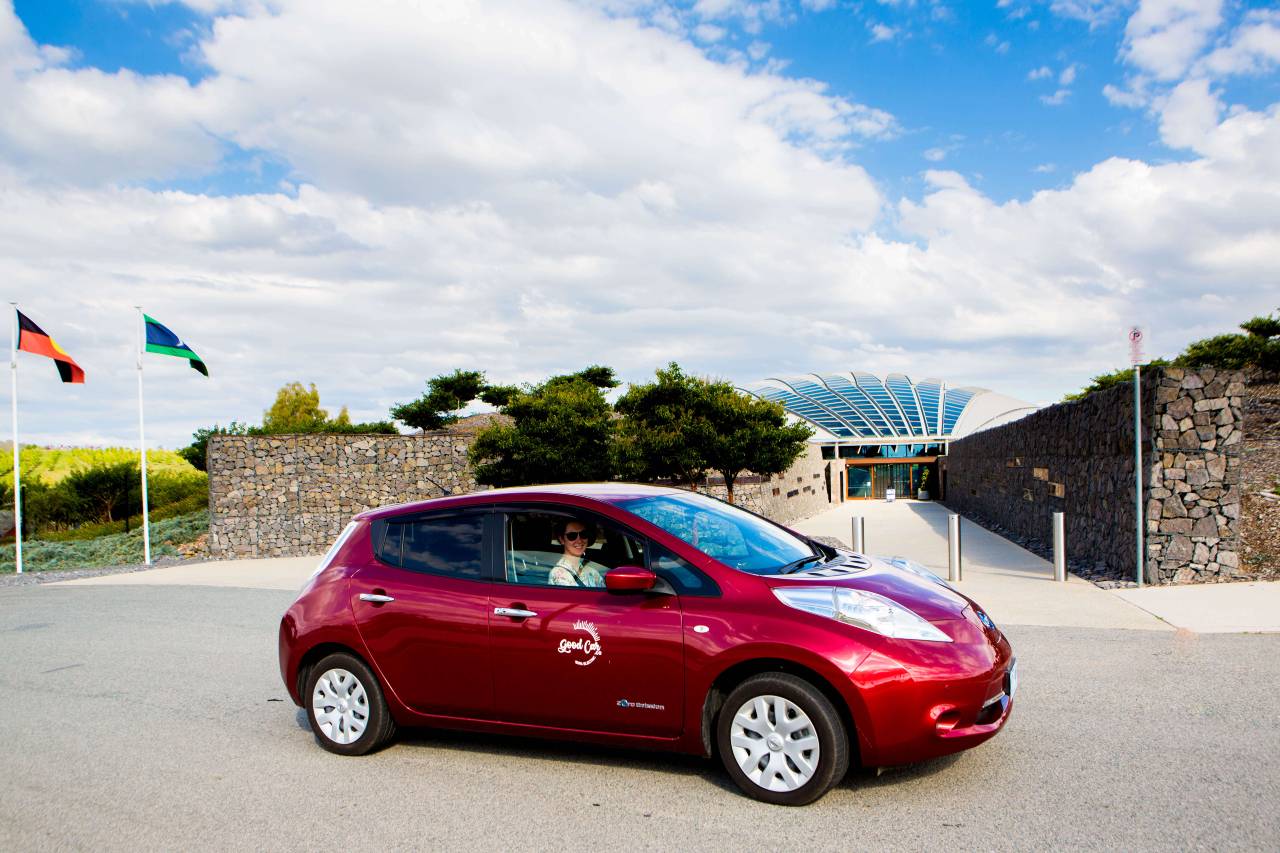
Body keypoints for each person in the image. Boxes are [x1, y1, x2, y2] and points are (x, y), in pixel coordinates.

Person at [548, 519, 606, 587]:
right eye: (572, 536)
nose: (579, 540)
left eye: (583, 534)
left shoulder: (592, 573)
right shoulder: (558, 574)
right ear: (562, 539)